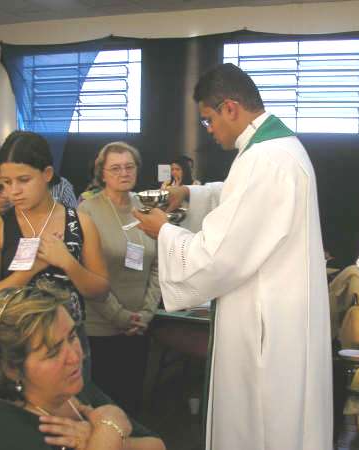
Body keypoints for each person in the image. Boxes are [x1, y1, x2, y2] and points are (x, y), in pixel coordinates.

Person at [134, 63, 332, 450]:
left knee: (260, 424)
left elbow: (218, 257)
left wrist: (165, 231)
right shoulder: (277, 149)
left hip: (265, 322)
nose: (210, 131)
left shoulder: (266, 159)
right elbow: (241, 198)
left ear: (230, 108)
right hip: (280, 312)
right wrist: (191, 194)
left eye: (208, 120)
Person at [0, 131, 109, 378]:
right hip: (17, 348)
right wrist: (29, 271)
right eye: (5, 183)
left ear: (46, 174)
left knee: (71, 411)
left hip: (70, 344)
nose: (14, 191)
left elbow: (100, 290)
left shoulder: (80, 223)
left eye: (23, 180)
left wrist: (67, 262)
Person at [0, 287, 166, 450]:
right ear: (11, 368)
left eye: (72, 336)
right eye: (52, 352)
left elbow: (157, 446)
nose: (76, 356)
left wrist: (109, 439)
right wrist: (109, 431)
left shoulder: (75, 391)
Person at [78, 142, 160, 415]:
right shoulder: (87, 211)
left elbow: (159, 264)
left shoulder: (147, 207)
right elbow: (85, 273)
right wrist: (119, 315)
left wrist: (146, 313)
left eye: (129, 166)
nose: (123, 173)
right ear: (102, 173)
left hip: (140, 325)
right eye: (115, 168)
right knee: (105, 410)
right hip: (101, 326)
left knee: (133, 404)